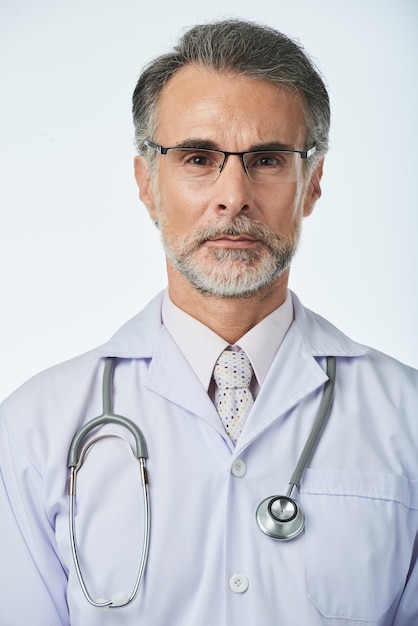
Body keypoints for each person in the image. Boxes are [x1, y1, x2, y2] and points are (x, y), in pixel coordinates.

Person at [0, 19, 417, 626]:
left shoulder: (406, 417)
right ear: (147, 184)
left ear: (313, 185)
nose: (232, 196)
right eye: (199, 158)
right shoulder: (34, 431)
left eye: (268, 159)